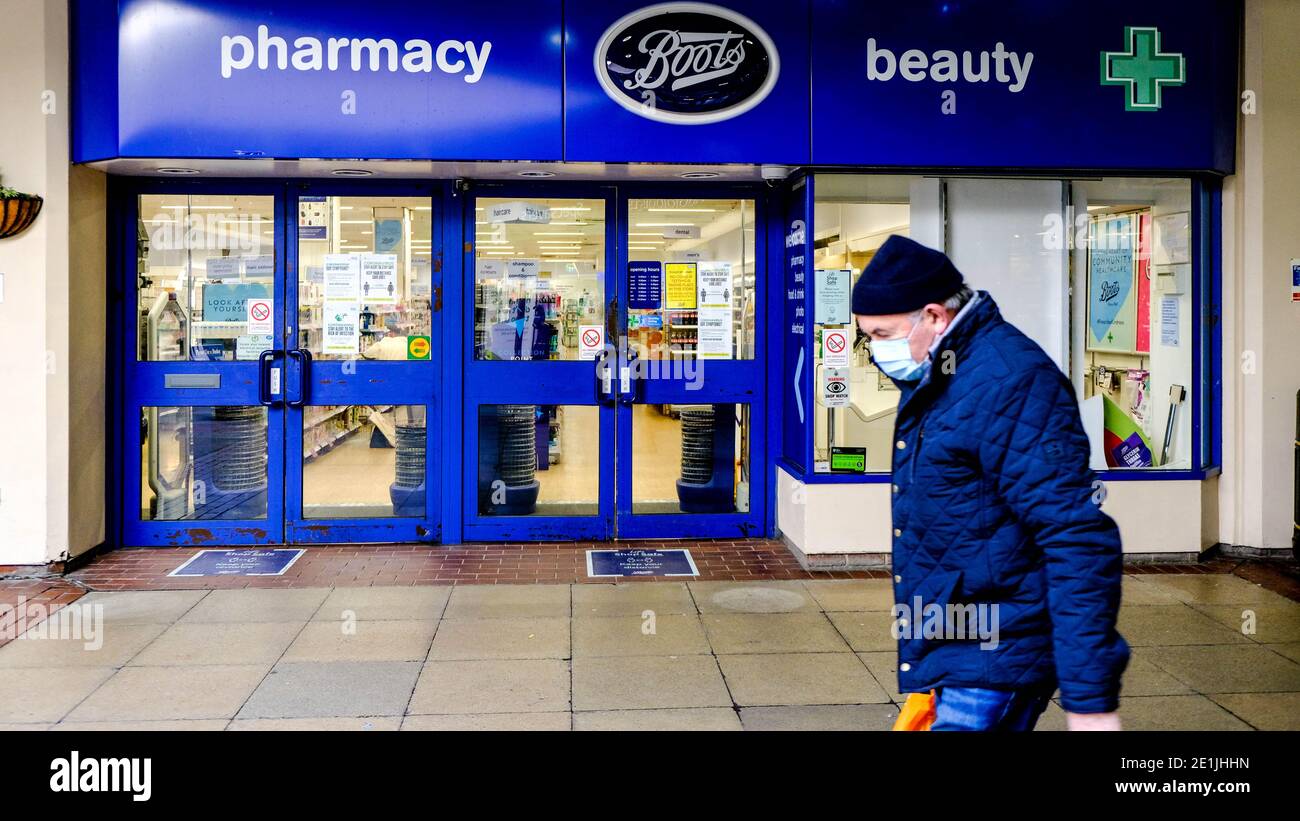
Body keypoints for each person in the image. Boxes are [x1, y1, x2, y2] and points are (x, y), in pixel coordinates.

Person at [852, 235, 1129, 732]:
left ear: (934, 317)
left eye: (882, 334)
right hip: (958, 640)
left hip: (998, 649)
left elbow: (1076, 535)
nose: (875, 351)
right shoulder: (940, 377)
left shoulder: (1009, 380)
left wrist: (1091, 701)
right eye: (866, 337)